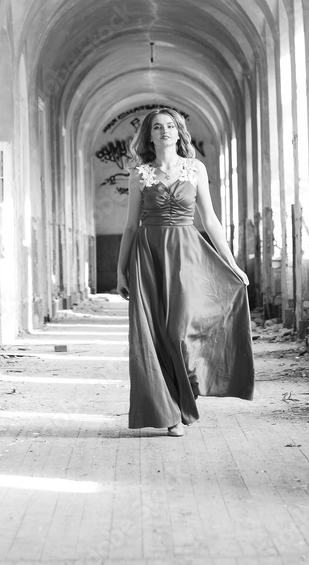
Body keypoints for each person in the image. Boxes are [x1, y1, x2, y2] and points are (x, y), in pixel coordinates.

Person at [117, 108, 255, 436]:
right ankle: (171, 413)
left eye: (170, 126)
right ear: (149, 136)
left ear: (179, 133)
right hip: (148, 258)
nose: (164, 131)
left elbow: (209, 219)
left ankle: (184, 394)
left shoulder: (195, 169)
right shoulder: (139, 175)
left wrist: (231, 263)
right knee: (154, 335)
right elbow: (130, 226)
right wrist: (121, 271)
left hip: (188, 256)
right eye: (157, 127)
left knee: (179, 330)